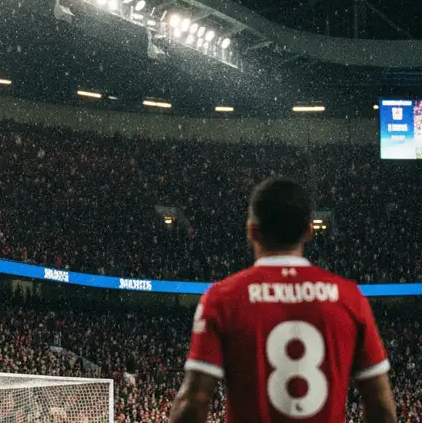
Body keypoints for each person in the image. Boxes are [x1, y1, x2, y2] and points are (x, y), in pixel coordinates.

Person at [169, 177, 397, 423]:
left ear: (252, 230)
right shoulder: (349, 297)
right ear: (308, 232)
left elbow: (194, 403)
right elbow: (382, 410)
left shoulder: (222, 298)